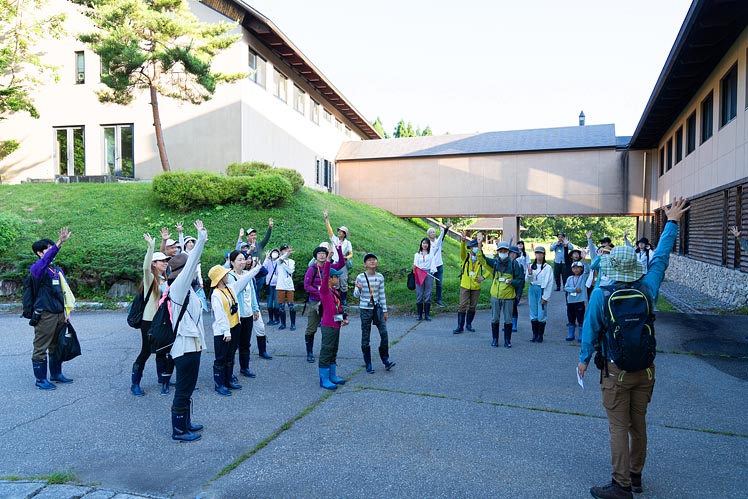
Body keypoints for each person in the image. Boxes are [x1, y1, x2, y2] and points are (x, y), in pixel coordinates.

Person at [578, 197, 688, 499]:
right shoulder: (648, 287)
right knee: (638, 424)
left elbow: (591, 331)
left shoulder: (602, 295)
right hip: (645, 370)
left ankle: (621, 484)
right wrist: (672, 222)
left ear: (612, 265)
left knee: (618, 426)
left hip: (615, 371)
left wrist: (584, 360)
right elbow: (661, 257)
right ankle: (636, 476)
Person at [165, 220, 208, 442]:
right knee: (183, 389)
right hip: (184, 348)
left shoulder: (187, 290)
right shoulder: (178, 287)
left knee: (188, 388)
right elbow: (191, 263)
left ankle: (186, 423)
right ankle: (179, 431)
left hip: (192, 346)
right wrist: (201, 238)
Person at [209, 255, 261, 396]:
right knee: (221, 357)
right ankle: (219, 384)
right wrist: (226, 331)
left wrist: (256, 269)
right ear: (219, 278)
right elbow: (220, 316)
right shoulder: (216, 294)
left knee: (230, 355)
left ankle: (228, 380)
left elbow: (245, 279)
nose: (227, 275)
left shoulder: (230, 288)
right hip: (223, 332)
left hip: (234, 326)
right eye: (224, 274)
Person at [28, 227, 73, 390]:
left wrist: (66, 312)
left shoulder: (56, 270)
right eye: (48, 249)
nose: (52, 251)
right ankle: (40, 380)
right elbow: (47, 260)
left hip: (59, 313)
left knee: (57, 345)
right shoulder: (37, 269)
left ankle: (56, 374)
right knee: (41, 346)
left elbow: (64, 291)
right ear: (40, 253)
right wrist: (60, 242)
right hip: (45, 314)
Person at [131, 234, 173, 396]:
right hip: (149, 321)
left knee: (163, 350)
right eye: (162, 261)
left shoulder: (165, 278)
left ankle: (163, 382)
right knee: (146, 351)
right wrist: (150, 246)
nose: (165, 263)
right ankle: (135, 383)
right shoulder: (150, 279)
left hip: (163, 320)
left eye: (166, 260)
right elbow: (145, 268)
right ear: (154, 264)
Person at [304, 219, 346, 363]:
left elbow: (342, 263)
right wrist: (320, 291)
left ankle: (328, 350)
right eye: (319, 253)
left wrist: (339, 249)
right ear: (315, 256)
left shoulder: (330, 267)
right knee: (312, 328)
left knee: (329, 326)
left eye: (324, 253)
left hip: (328, 303)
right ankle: (309, 351)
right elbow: (306, 286)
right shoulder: (312, 269)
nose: (322, 255)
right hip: (315, 302)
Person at [354, 252, 394, 373]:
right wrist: (359, 289)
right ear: (365, 264)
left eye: (374, 259)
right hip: (365, 310)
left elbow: (382, 294)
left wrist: (385, 310)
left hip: (378, 309)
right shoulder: (360, 277)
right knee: (366, 336)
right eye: (369, 260)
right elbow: (355, 295)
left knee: (384, 334)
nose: (372, 261)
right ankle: (368, 363)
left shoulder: (380, 277)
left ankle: (385, 359)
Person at [317, 243, 350, 390]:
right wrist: (329, 259)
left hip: (336, 325)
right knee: (326, 350)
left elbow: (338, 308)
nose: (338, 279)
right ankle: (324, 379)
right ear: (330, 279)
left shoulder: (335, 292)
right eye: (336, 277)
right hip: (328, 326)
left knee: (334, 350)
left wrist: (344, 318)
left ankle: (332, 375)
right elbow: (324, 274)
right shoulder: (324, 290)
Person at [227, 251, 262, 379]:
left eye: (244, 259)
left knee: (245, 343)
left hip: (247, 314)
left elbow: (252, 292)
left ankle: (245, 367)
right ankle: (229, 372)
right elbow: (236, 291)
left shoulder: (248, 274)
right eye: (239, 260)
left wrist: (255, 309)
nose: (243, 262)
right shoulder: (229, 276)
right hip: (236, 315)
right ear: (232, 262)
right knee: (233, 345)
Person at [484, 241, 524, 348]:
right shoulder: (495, 262)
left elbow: (520, 280)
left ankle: (507, 341)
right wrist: (479, 246)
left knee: (508, 319)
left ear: (508, 251)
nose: (502, 252)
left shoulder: (514, 264)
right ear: (498, 251)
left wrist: (512, 282)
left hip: (508, 297)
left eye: (505, 250)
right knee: (494, 319)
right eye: (500, 250)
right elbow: (483, 259)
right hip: (495, 296)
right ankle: (495, 340)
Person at [453, 231, 488, 333]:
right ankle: (460, 326)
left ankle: (469, 324)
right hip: (465, 285)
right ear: (471, 248)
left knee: (473, 306)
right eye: (474, 247)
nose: (476, 248)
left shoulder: (481, 259)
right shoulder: (466, 257)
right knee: (462, 305)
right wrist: (463, 241)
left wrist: (483, 277)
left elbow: (490, 269)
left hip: (476, 286)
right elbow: (462, 252)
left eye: (478, 246)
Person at [324, 210, 353, 306]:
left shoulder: (348, 243)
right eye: (339, 231)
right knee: (333, 279)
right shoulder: (334, 239)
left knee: (344, 279)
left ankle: (344, 299)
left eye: (341, 231)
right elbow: (330, 231)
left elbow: (351, 253)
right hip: (334, 261)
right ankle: (335, 297)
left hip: (342, 262)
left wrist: (346, 257)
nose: (339, 232)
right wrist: (326, 219)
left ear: (345, 234)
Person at [526, 246, 553, 342]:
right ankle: (534, 334)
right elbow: (527, 280)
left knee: (541, 312)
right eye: (537, 253)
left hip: (542, 289)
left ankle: (540, 335)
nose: (539, 255)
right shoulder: (531, 266)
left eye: (541, 253)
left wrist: (546, 297)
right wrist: (529, 274)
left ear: (544, 254)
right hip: (532, 288)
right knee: (533, 312)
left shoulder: (547, 267)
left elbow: (549, 283)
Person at [427, 220, 451, 307]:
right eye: (431, 232)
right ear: (428, 234)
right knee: (429, 284)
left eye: (433, 231)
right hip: (431, 266)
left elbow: (443, 235)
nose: (433, 233)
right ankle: (427, 300)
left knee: (439, 284)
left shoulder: (439, 241)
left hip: (439, 265)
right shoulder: (427, 243)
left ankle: (438, 300)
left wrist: (446, 228)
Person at [413, 237, 436, 321]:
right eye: (423, 243)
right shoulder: (417, 254)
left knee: (428, 293)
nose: (425, 245)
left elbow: (433, 264)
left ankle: (427, 315)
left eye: (426, 243)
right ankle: (419, 315)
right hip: (419, 273)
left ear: (428, 245)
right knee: (419, 293)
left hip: (429, 273)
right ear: (421, 244)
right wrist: (415, 270)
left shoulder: (431, 254)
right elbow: (415, 265)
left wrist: (431, 272)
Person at [275, 244, 297, 331]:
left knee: (291, 306)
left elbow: (291, 270)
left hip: (289, 286)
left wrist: (283, 264)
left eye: (287, 249)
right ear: (281, 252)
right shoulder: (278, 260)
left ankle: (293, 324)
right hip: (280, 286)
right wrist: (283, 258)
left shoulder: (292, 261)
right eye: (284, 250)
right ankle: (283, 323)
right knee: (281, 306)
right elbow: (279, 261)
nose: (286, 251)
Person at [563, 261, 586, 342]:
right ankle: (571, 333)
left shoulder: (583, 277)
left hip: (579, 301)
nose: (576, 270)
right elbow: (565, 288)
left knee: (580, 317)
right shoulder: (570, 278)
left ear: (581, 269)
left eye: (578, 268)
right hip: (570, 301)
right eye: (574, 268)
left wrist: (585, 263)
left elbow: (587, 271)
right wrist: (574, 289)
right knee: (571, 317)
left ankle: (581, 334)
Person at [509, 245, 526, 333]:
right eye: (511, 253)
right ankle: (508, 324)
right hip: (506, 290)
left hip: (515, 289)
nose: (512, 255)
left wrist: (519, 294)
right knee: (506, 308)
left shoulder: (519, 265)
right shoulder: (505, 264)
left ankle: (514, 324)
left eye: (514, 253)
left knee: (514, 307)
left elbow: (521, 281)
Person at [262, 248, 280, 325]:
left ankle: (277, 319)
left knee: (276, 302)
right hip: (269, 284)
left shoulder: (279, 262)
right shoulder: (268, 262)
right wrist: (266, 257)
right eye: (273, 252)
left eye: (276, 252)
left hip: (277, 284)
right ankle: (270, 319)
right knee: (269, 303)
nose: (275, 253)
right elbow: (263, 268)